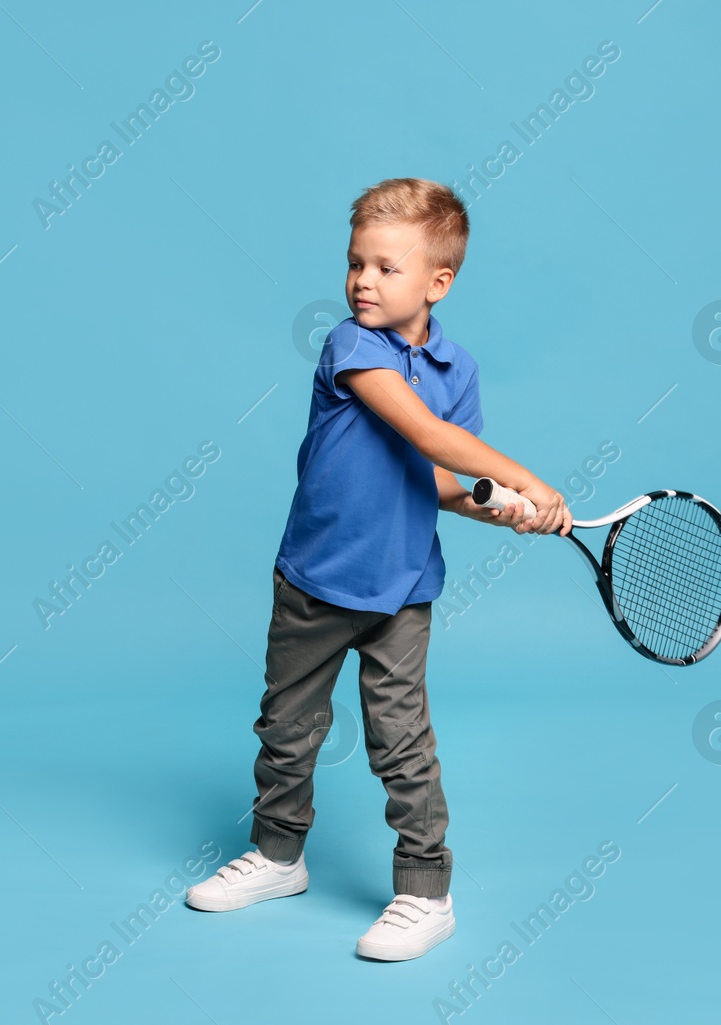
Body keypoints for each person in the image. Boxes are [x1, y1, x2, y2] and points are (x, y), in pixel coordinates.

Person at [186, 178, 572, 961]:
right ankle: (277, 856)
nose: (363, 280)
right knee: (288, 729)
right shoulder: (352, 347)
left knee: (402, 744)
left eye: (386, 268)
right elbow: (427, 435)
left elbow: (437, 478)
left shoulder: (457, 369)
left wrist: (491, 505)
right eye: (356, 262)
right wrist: (532, 479)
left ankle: (425, 893)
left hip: (400, 591)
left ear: (438, 283)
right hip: (313, 580)